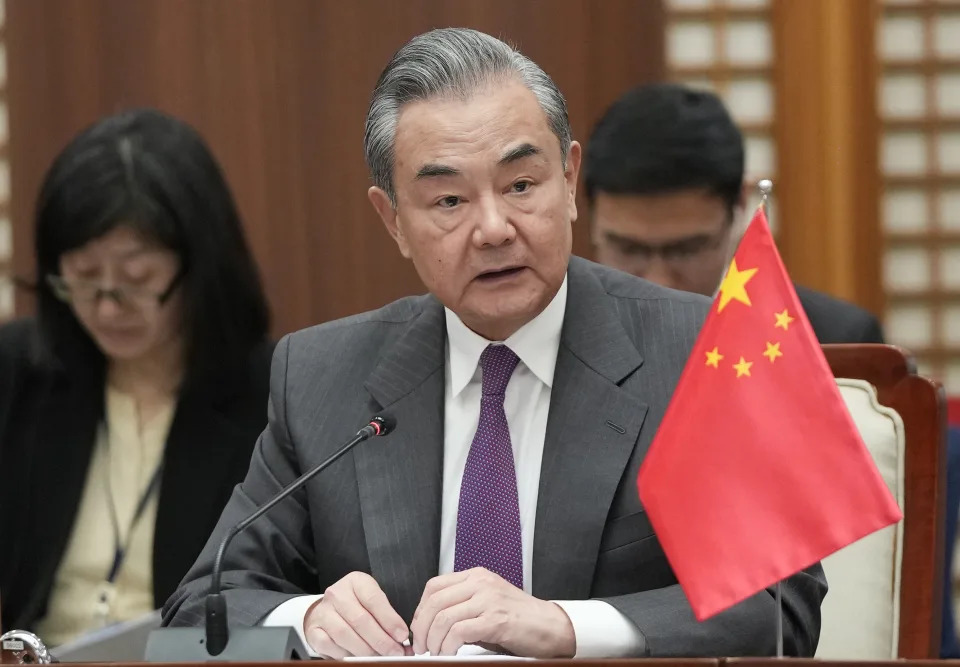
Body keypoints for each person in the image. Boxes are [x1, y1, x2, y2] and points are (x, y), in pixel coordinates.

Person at [163, 29, 826, 658]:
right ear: (393, 220)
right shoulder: (321, 377)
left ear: (569, 181)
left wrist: (565, 625)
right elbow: (201, 607)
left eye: (520, 185)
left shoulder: (695, 350)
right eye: (448, 200)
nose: (493, 228)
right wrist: (307, 618)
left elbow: (779, 605)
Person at [0, 109, 273, 645]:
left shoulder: (272, 394)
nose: (106, 308)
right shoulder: (19, 373)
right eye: (82, 279)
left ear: (200, 266)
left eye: (136, 278)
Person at [586, 83, 884, 344]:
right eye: (629, 249)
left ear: (739, 205)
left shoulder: (832, 340)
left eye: (686, 250)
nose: (658, 281)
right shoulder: (555, 336)